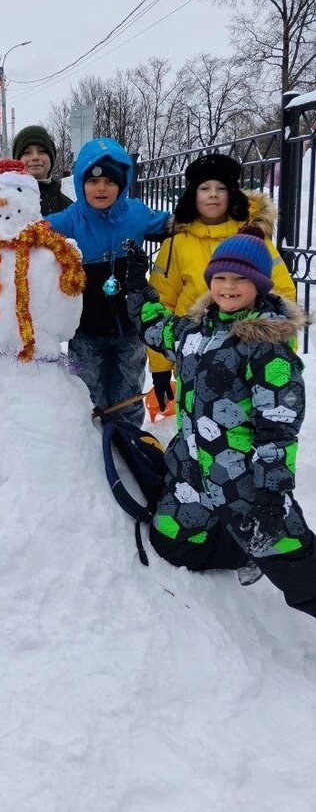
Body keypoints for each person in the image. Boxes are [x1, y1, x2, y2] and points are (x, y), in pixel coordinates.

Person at [124, 228, 316, 620]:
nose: (228, 287)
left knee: (297, 571)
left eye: (241, 279)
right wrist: (136, 288)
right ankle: (236, 546)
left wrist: (269, 492)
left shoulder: (267, 348)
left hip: (246, 485)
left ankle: (257, 547)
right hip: (192, 475)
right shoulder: (196, 331)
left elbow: (278, 427)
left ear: (260, 286)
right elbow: (157, 328)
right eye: (221, 278)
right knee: (169, 544)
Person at [148, 152, 296, 417]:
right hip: (194, 355)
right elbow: (162, 303)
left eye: (221, 188)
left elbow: (282, 292)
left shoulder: (252, 238)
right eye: (204, 188)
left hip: (248, 355)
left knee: (242, 426)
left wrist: (281, 351)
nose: (213, 194)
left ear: (233, 194)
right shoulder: (176, 245)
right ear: (193, 195)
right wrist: (160, 366)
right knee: (195, 425)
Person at [46, 138, 170, 426]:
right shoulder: (71, 219)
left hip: (130, 328)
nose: (101, 188)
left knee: (128, 391)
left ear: (122, 184)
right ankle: (95, 448)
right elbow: (34, 232)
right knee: (89, 395)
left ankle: (130, 443)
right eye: (92, 181)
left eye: (110, 181)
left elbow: (174, 225)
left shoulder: (136, 214)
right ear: (81, 184)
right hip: (87, 331)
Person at [12, 125, 72, 217]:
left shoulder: (68, 209)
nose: (35, 157)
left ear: (51, 158)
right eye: (27, 152)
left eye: (42, 151)